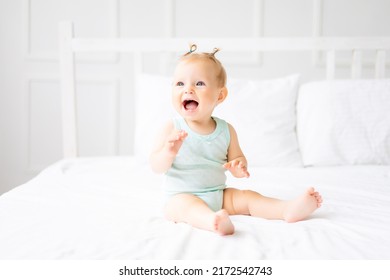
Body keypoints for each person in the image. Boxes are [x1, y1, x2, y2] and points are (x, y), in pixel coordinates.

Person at [149, 44, 322, 235]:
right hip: (180, 197)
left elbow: (238, 160)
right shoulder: (172, 128)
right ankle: (212, 221)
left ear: (220, 95)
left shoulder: (226, 130)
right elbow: (156, 166)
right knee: (188, 208)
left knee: (248, 197)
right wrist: (168, 152)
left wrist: (238, 167)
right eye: (180, 84)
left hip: (218, 194)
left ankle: (286, 209)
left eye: (199, 84)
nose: (188, 89)